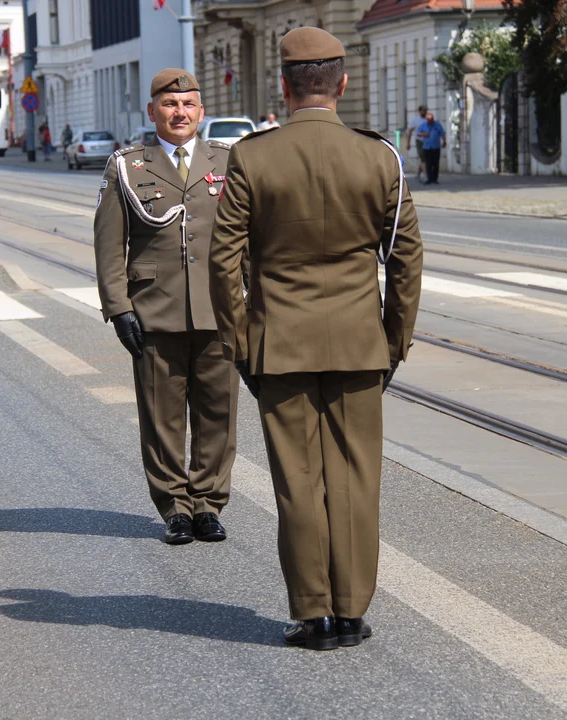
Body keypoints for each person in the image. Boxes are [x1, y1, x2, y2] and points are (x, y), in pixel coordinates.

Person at [209, 27, 423, 650]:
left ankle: (313, 615)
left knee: (298, 480)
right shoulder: (380, 157)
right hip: (359, 343)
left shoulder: (251, 157)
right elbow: (406, 259)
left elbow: (224, 262)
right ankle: (353, 610)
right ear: (343, 84)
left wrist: (240, 341)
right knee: (357, 476)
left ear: (284, 84)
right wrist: (394, 340)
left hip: (280, 344)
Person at [94, 69, 240, 545]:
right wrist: (119, 308)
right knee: (162, 417)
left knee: (218, 413)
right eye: (170, 105)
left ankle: (208, 504)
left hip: (219, 312)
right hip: (154, 310)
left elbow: (250, 240)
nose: (180, 113)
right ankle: (174, 506)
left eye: (189, 105)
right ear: (153, 111)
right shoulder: (127, 166)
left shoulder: (230, 160)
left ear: (201, 111)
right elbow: (109, 244)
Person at [418, 110, 446, 185]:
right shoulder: (423, 125)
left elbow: (442, 133)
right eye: (429, 120)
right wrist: (424, 134)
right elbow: (418, 133)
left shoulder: (437, 125)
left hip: (436, 147)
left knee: (436, 163)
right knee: (428, 163)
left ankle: (435, 179)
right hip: (427, 147)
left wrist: (444, 142)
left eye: (431, 120)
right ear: (427, 120)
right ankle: (429, 178)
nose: (430, 121)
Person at [407, 105, 427, 181]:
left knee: (424, 159)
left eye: (425, 110)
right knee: (423, 158)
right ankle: (426, 175)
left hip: (428, 141)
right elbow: (410, 131)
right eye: (423, 110)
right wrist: (408, 143)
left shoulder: (427, 119)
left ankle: (418, 173)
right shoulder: (415, 120)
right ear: (419, 111)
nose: (424, 112)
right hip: (419, 141)